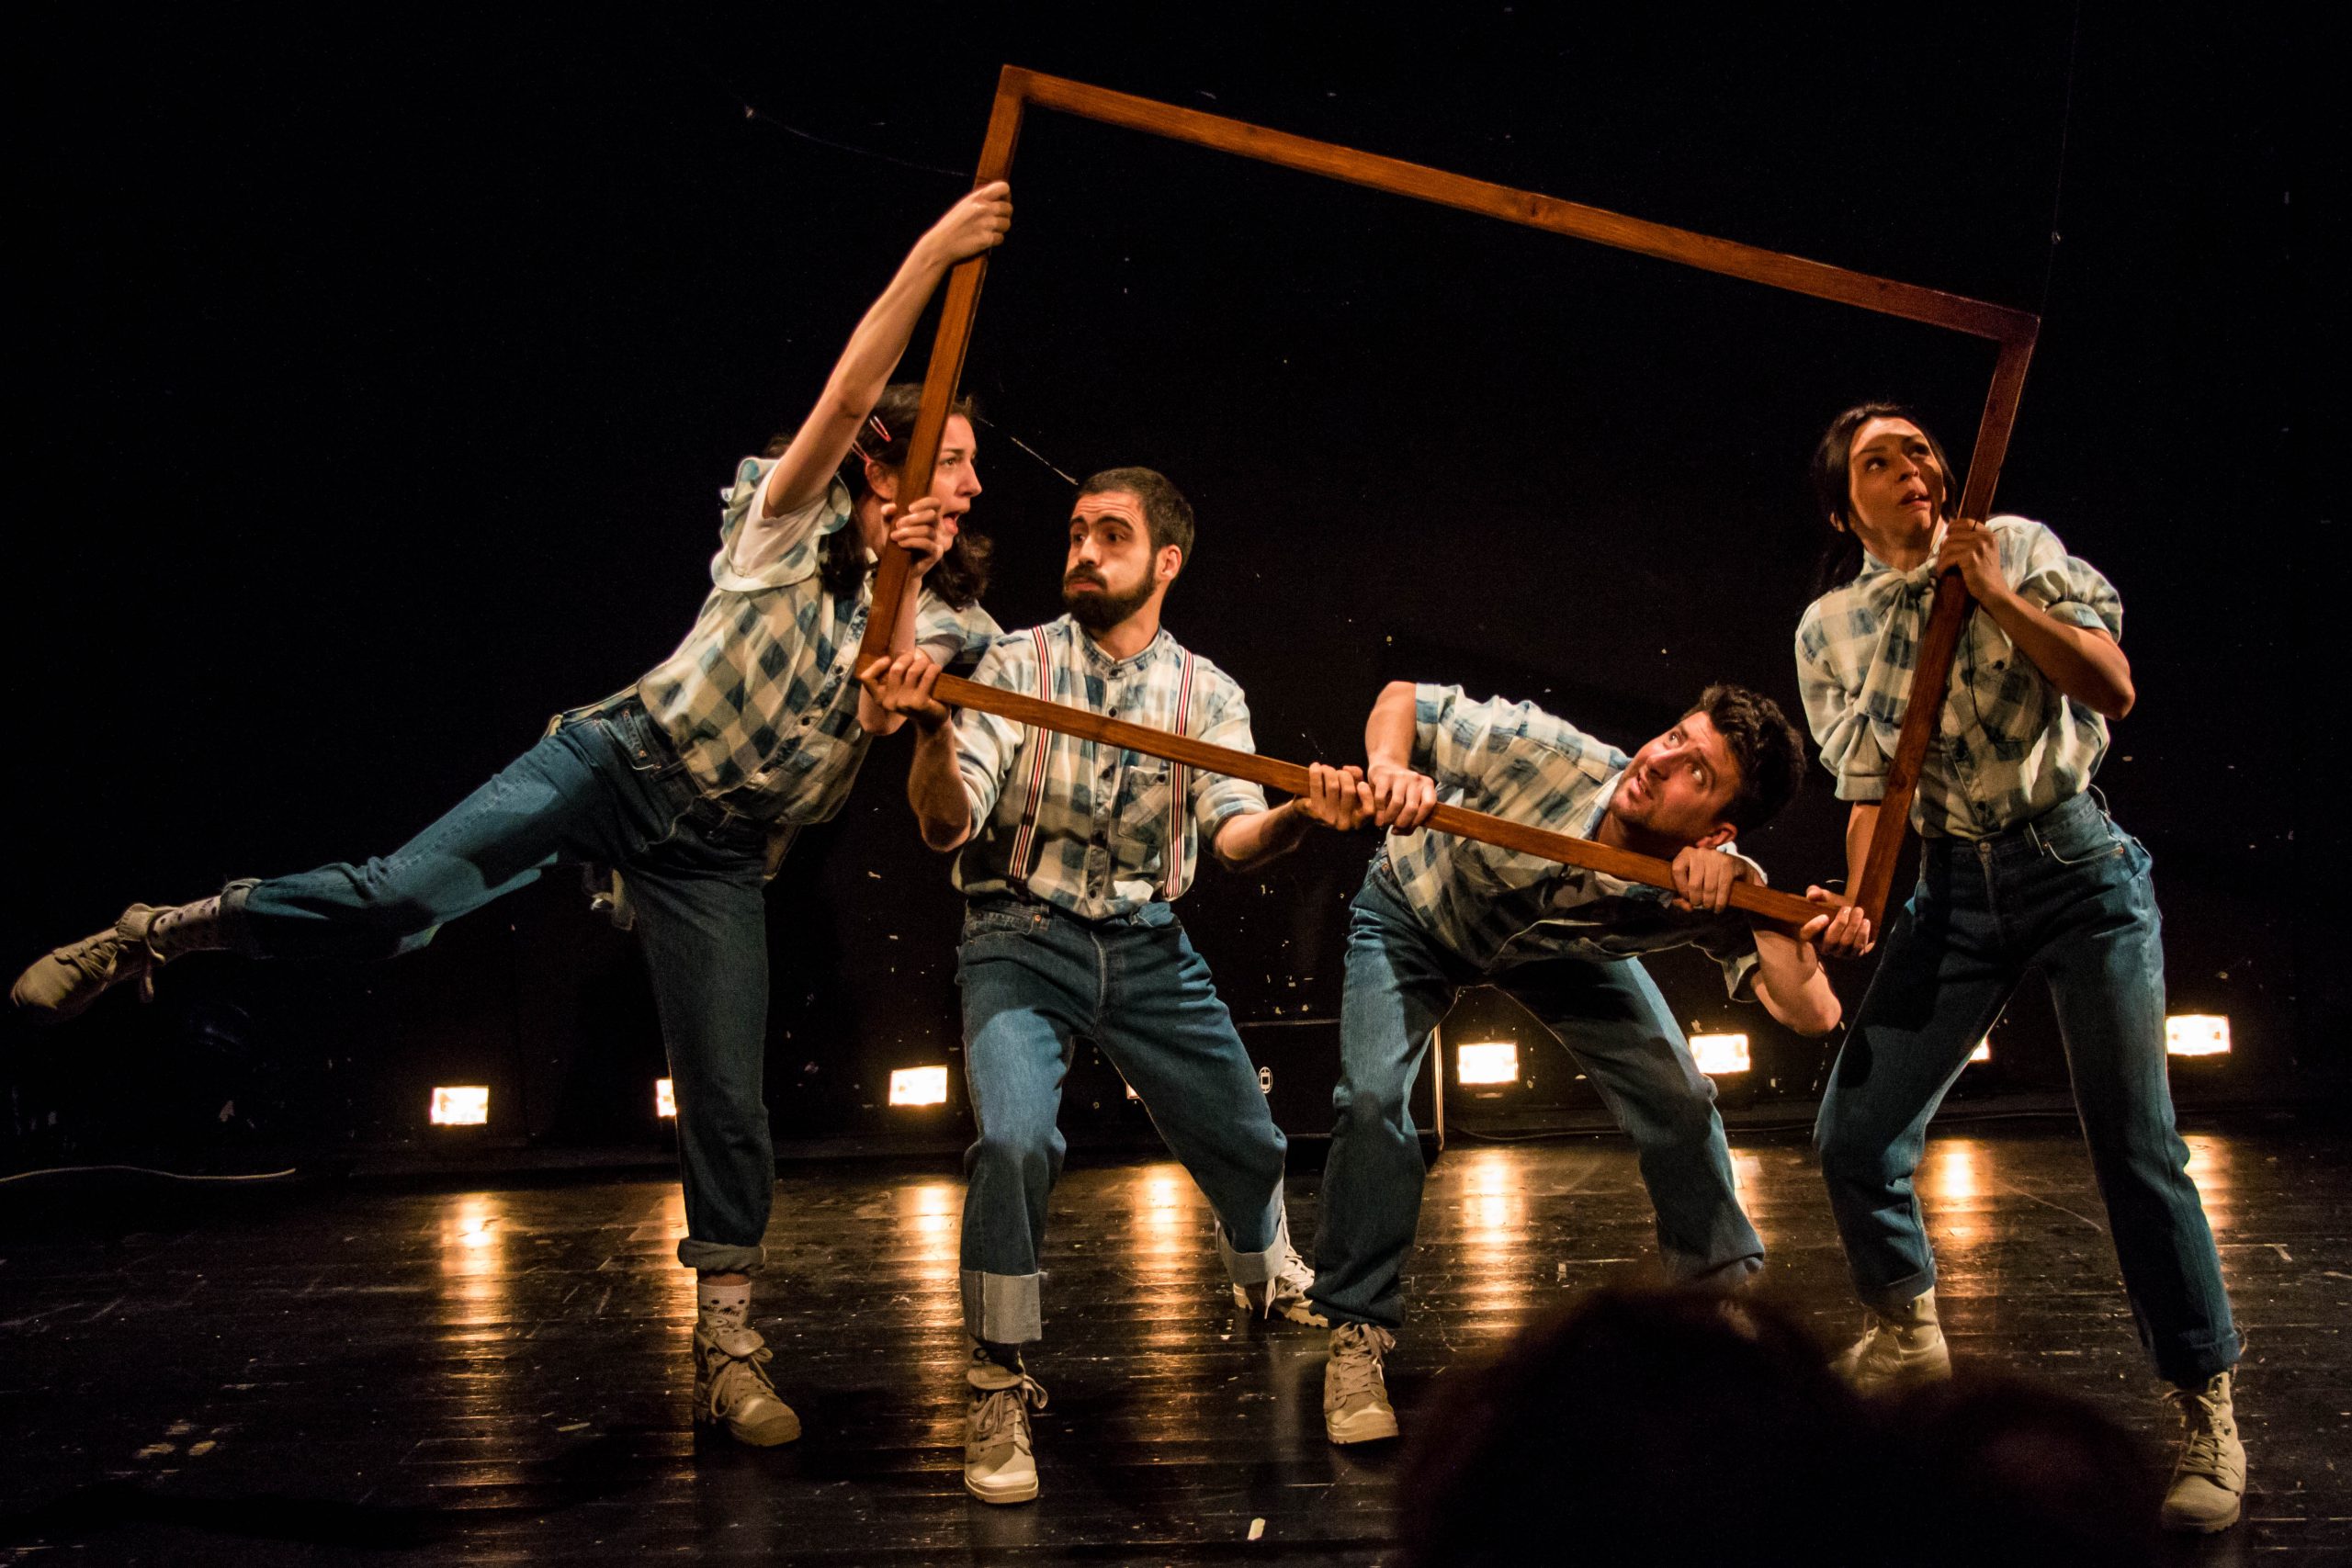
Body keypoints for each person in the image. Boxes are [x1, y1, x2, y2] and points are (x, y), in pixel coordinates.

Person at [9, 185, 1017, 1451]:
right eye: (953, 458)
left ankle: (726, 1343)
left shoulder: (949, 616)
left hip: (718, 853)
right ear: (886, 457)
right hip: (617, 762)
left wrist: (905, 591)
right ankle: (158, 932)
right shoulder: (783, 517)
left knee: (726, 1098)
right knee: (395, 901)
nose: (974, 483)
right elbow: (843, 391)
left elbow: (874, 708)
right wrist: (933, 249)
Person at [861, 466, 1368, 1505]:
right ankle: (996, 1377)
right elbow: (947, 825)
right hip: (1018, 934)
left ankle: (1260, 1266)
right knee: (1014, 1141)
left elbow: (1234, 836)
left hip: (1145, 943)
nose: (1084, 551)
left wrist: (1298, 817)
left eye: (1112, 535)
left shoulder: (1208, 694)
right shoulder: (1013, 664)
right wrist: (932, 731)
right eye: (1076, 532)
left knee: (1254, 1142)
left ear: (1166, 561)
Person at [1794, 401, 2244, 1533]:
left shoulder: (2017, 545)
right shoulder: (1828, 626)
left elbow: (2111, 687)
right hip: (1950, 887)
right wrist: (1861, 905)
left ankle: (2206, 1405)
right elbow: (1870, 790)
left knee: (2135, 1145)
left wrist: (1991, 593)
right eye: (1879, 460)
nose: (1913, 466)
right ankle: (1907, 1335)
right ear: (1842, 506)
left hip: (2075, 868)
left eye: (1920, 449)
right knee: (1852, 1136)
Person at [1308, 677, 1855, 1445]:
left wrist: (1764, 907)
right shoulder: (1544, 753)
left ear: (1717, 830)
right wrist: (1391, 767)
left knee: (1679, 1099)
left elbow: (1813, 1013)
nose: (1659, 762)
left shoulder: (1709, 880)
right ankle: (1356, 1327)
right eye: (1674, 737)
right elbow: (1404, 699)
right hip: (1415, 908)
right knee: (1371, 1101)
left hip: (1558, 955)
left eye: (1697, 773)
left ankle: (1721, 1311)